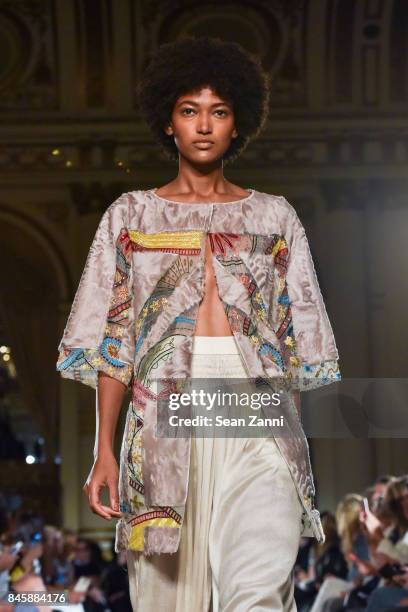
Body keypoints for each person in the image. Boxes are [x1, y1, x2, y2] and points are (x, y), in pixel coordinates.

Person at [56, 36, 341, 611]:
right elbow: (116, 344)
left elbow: (292, 341)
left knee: (258, 592)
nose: (204, 126)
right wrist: (102, 452)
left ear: (238, 123)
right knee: (168, 601)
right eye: (190, 110)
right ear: (169, 122)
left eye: (219, 111)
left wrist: (294, 445)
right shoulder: (131, 217)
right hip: (162, 418)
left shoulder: (274, 217)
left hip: (257, 417)